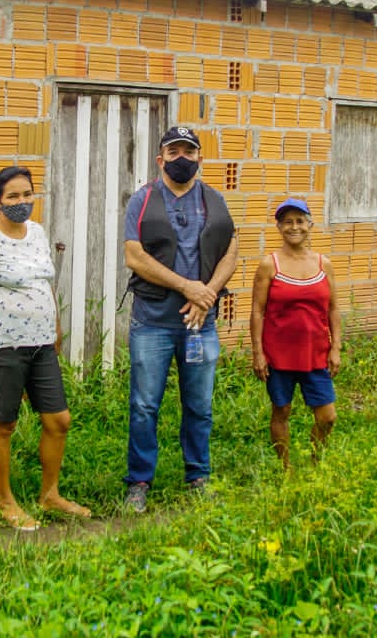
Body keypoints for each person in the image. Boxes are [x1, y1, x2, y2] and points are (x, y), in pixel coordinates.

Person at [0, 165, 90, 530]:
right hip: (3, 347)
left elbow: (44, 284)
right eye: (13, 196)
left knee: (58, 420)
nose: (21, 202)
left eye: (27, 194)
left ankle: (49, 495)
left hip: (42, 345)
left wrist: (56, 325)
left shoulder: (38, 233)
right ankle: (6, 501)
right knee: (4, 423)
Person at [121, 126, 239, 512]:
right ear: (161, 159)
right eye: (174, 152)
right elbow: (135, 256)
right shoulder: (142, 200)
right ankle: (138, 481)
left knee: (199, 405)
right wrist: (189, 287)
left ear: (200, 158)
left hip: (199, 324)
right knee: (144, 405)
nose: (182, 158)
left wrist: (206, 295)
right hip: (152, 322)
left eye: (189, 151)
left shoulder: (214, 200)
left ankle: (198, 477)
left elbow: (230, 251)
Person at [250, 197, 342, 468]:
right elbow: (257, 311)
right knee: (282, 411)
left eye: (300, 221)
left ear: (310, 225)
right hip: (279, 356)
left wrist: (336, 347)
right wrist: (258, 353)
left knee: (327, 417)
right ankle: (286, 469)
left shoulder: (324, 264)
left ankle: (315, 463)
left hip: (316, 354)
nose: (294, 227)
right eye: (287, 222)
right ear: (278, 227)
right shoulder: (270, 264)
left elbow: (334, 309)